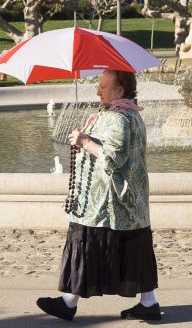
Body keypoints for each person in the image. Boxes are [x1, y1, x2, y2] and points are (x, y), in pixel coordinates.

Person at [36, 70, 161, 321]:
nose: (97, 90)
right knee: (134, 246)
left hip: (106, 201)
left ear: (120, 90)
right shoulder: (131, 113)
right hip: (129, 200)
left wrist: (84, 142)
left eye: (103, 86)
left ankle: (68, 302)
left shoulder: (117, 117)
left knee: (85, 239)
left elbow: (114, 157)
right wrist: (88, 138)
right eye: (98, 85)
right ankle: (148, 302)